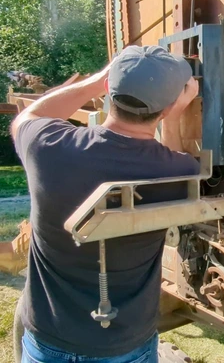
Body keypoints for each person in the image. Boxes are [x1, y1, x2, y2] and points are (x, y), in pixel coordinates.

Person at [11, 45, 199, 362]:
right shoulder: (178, 171)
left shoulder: (47, 145)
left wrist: (95, 81)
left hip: (48, 339)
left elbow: (27, 118)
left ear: (109, 91)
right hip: (125, 346)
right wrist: (176, 114)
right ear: (165, 109)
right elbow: (173, 161)